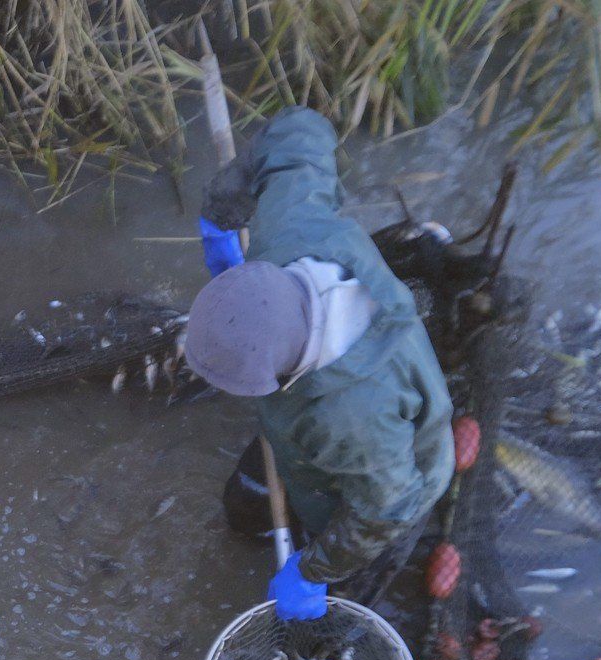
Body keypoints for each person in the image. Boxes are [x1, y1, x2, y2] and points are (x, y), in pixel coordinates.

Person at [187, 106, 454, 619]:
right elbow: (299, 133)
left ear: (285, 373)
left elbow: (387, 507)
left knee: (344, 554)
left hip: (394, 476)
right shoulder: (291, 233)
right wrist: (222, 210)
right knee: (243, 510)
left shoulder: (352, 422)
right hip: (304, 427)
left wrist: (313, 571)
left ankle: (326, 585)